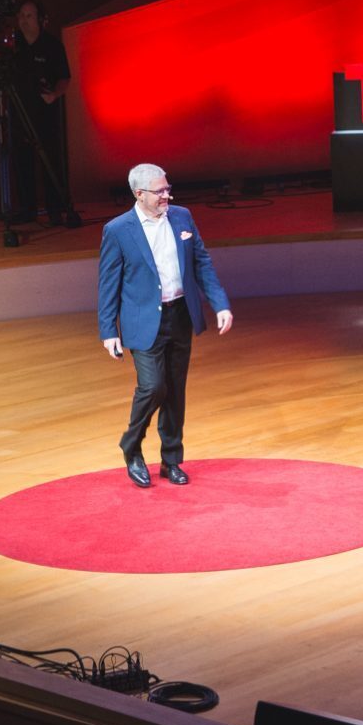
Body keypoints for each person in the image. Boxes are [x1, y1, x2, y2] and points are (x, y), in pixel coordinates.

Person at [98, 164, 232, 488]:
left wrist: (220, 303)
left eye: (167, 188)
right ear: (138, 194)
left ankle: (171, 460)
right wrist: (108, 330)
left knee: (174, 391)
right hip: (143, 321)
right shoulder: (118, 230)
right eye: (159, 191)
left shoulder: (182, 217)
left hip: (180, 315)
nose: (166, 196)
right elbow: (108, 283)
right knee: (154, 386)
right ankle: (132, 447)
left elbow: (201, 262)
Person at [8, 0, 71, 226]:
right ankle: (28, 209)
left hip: (45, 113)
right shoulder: (13, 47)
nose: (24, 21)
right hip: (19, 112)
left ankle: (56, 209)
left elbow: (65, 77)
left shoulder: (52, 46)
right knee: (22, 160)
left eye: (29, 16)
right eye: (21, 16)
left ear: (40, 20)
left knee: (50, 160)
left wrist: (54, 94)